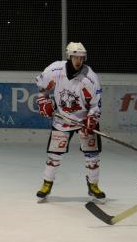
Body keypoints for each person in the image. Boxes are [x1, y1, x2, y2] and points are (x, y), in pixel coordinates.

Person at [34, 42, 105, 203]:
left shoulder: (90, 77)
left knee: (92, 155)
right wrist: (43, 101)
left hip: (84, 121)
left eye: (81, 58)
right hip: (62, 120)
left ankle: (93, 185)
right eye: (75, 57)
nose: (78, 61)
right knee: (54, 155)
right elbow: (42, 89)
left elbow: (96, 104)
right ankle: (47, 184)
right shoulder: (54, 70)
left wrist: (92, 119)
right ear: (69, 56)